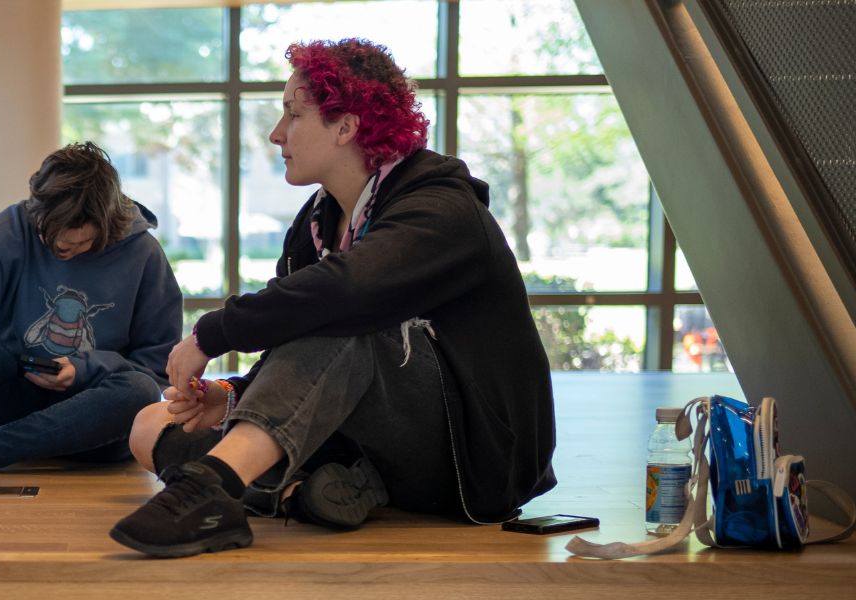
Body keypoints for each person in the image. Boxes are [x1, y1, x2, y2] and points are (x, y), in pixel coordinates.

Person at [108, 39, 557, 558]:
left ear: (346, 127)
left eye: (294, 115)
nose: (277, 134)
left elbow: (348, 292)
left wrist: (214, 331)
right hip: (377, 443)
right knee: (149, 426)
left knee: (344, 315)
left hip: (477, 462)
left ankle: (214, 489)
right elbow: (302, 354)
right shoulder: (315, 226)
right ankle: (312, 492)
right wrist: (232, 395)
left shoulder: (443, 207)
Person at [0, 142, 183, 491]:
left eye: (72, 243)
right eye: (45, 233)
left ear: (104, 223)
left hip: (91, 423)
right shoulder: (13, 225)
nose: (56, 247)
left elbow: (155, 367)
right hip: (15, 394)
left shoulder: (144, 254)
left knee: (140, 391)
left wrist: (85, 368)